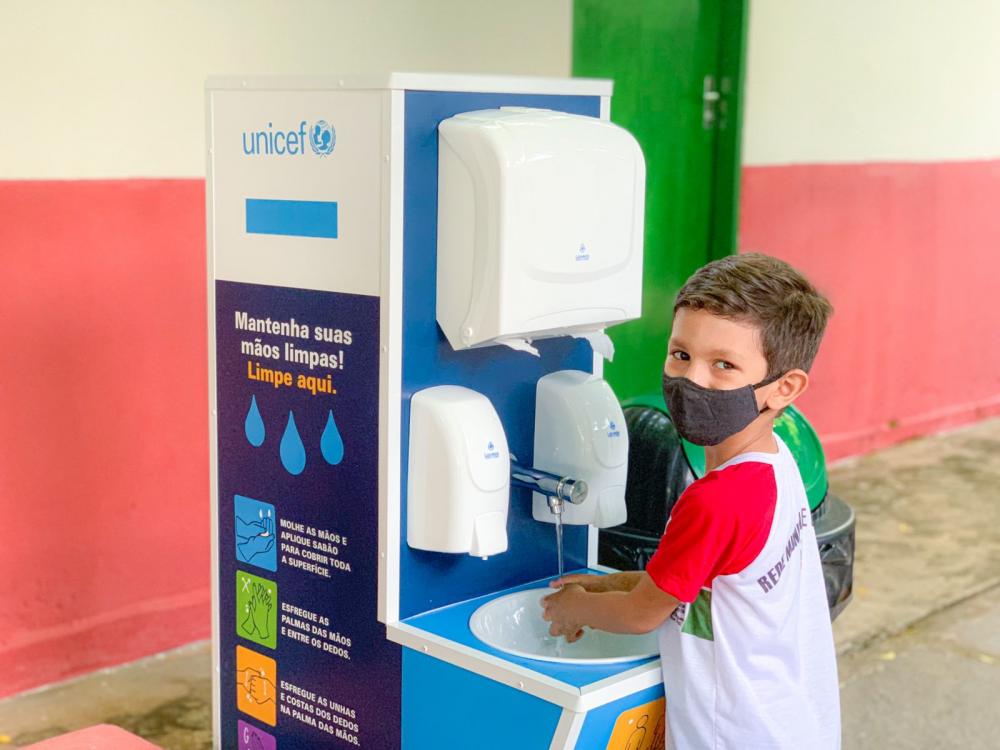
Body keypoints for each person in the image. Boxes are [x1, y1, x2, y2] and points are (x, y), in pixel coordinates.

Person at [542, 253, 841, 748]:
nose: (692, 380)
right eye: (680, 354)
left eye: (723, 365)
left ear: (784, 388)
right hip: (793, 725)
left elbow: (643, 614)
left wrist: (575, 610)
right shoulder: (774, 464)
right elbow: (715, 586)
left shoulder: (717, 499)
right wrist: (616, 582)